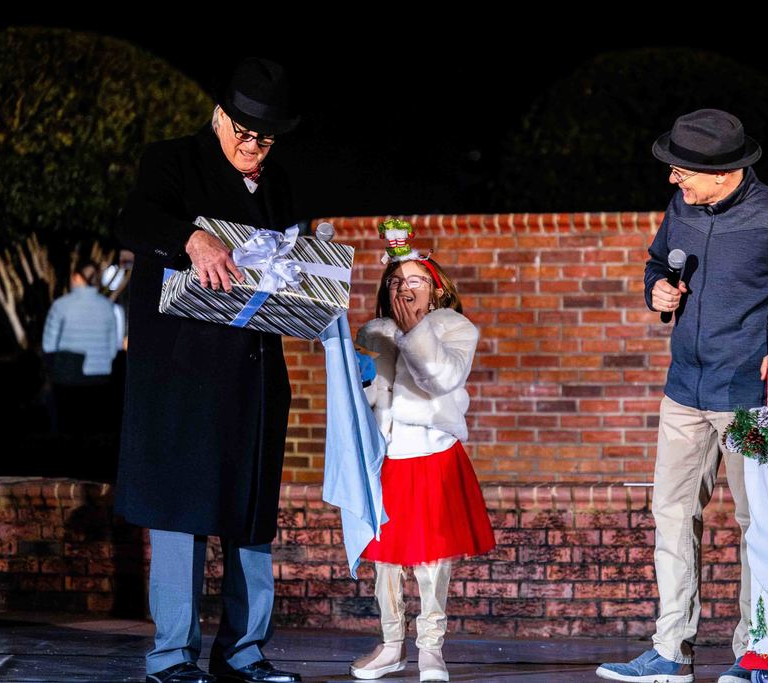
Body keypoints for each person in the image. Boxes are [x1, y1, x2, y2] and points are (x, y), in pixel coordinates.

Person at [597, 109, 768, 683]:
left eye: (681, 171)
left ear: (723, 172)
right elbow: (658, 262)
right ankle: (670, 651)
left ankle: (755, 653)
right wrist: (655, 289)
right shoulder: (682, 206)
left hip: (748, 399)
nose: (672, 180)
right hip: (684, 391)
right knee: (672, 516)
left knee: (757, 525)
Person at [114, 58, 303, 683]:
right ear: (219, 118)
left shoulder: (278, 185)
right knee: (180, 513)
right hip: (182, 377)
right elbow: (135, 219)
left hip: (252, 375)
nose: (253, 148)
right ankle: (172, 655)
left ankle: (244, 651)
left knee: (249, 517)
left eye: (265, 140)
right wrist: (190, 237)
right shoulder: (172, 160)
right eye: (243, 134)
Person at [350, 222, 494, 683]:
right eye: (395, 281)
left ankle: (431, 649)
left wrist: (413, 331)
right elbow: (366, 393)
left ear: (435, 290)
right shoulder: (375, 331)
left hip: (432, 453)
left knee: (433, 559)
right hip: (387, 456)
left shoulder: (454, 328)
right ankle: (392, 645)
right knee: (386, 558)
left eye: (414, 281)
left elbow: (437, 379)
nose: (403, 288)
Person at [41, 260, 123, 432]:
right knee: (93, 429)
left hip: (67, 378)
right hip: (99, 379)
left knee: (67, 428)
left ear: (77, 277)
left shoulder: (60, 306)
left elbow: (49, 347)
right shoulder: (107, 307)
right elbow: (113, 347)